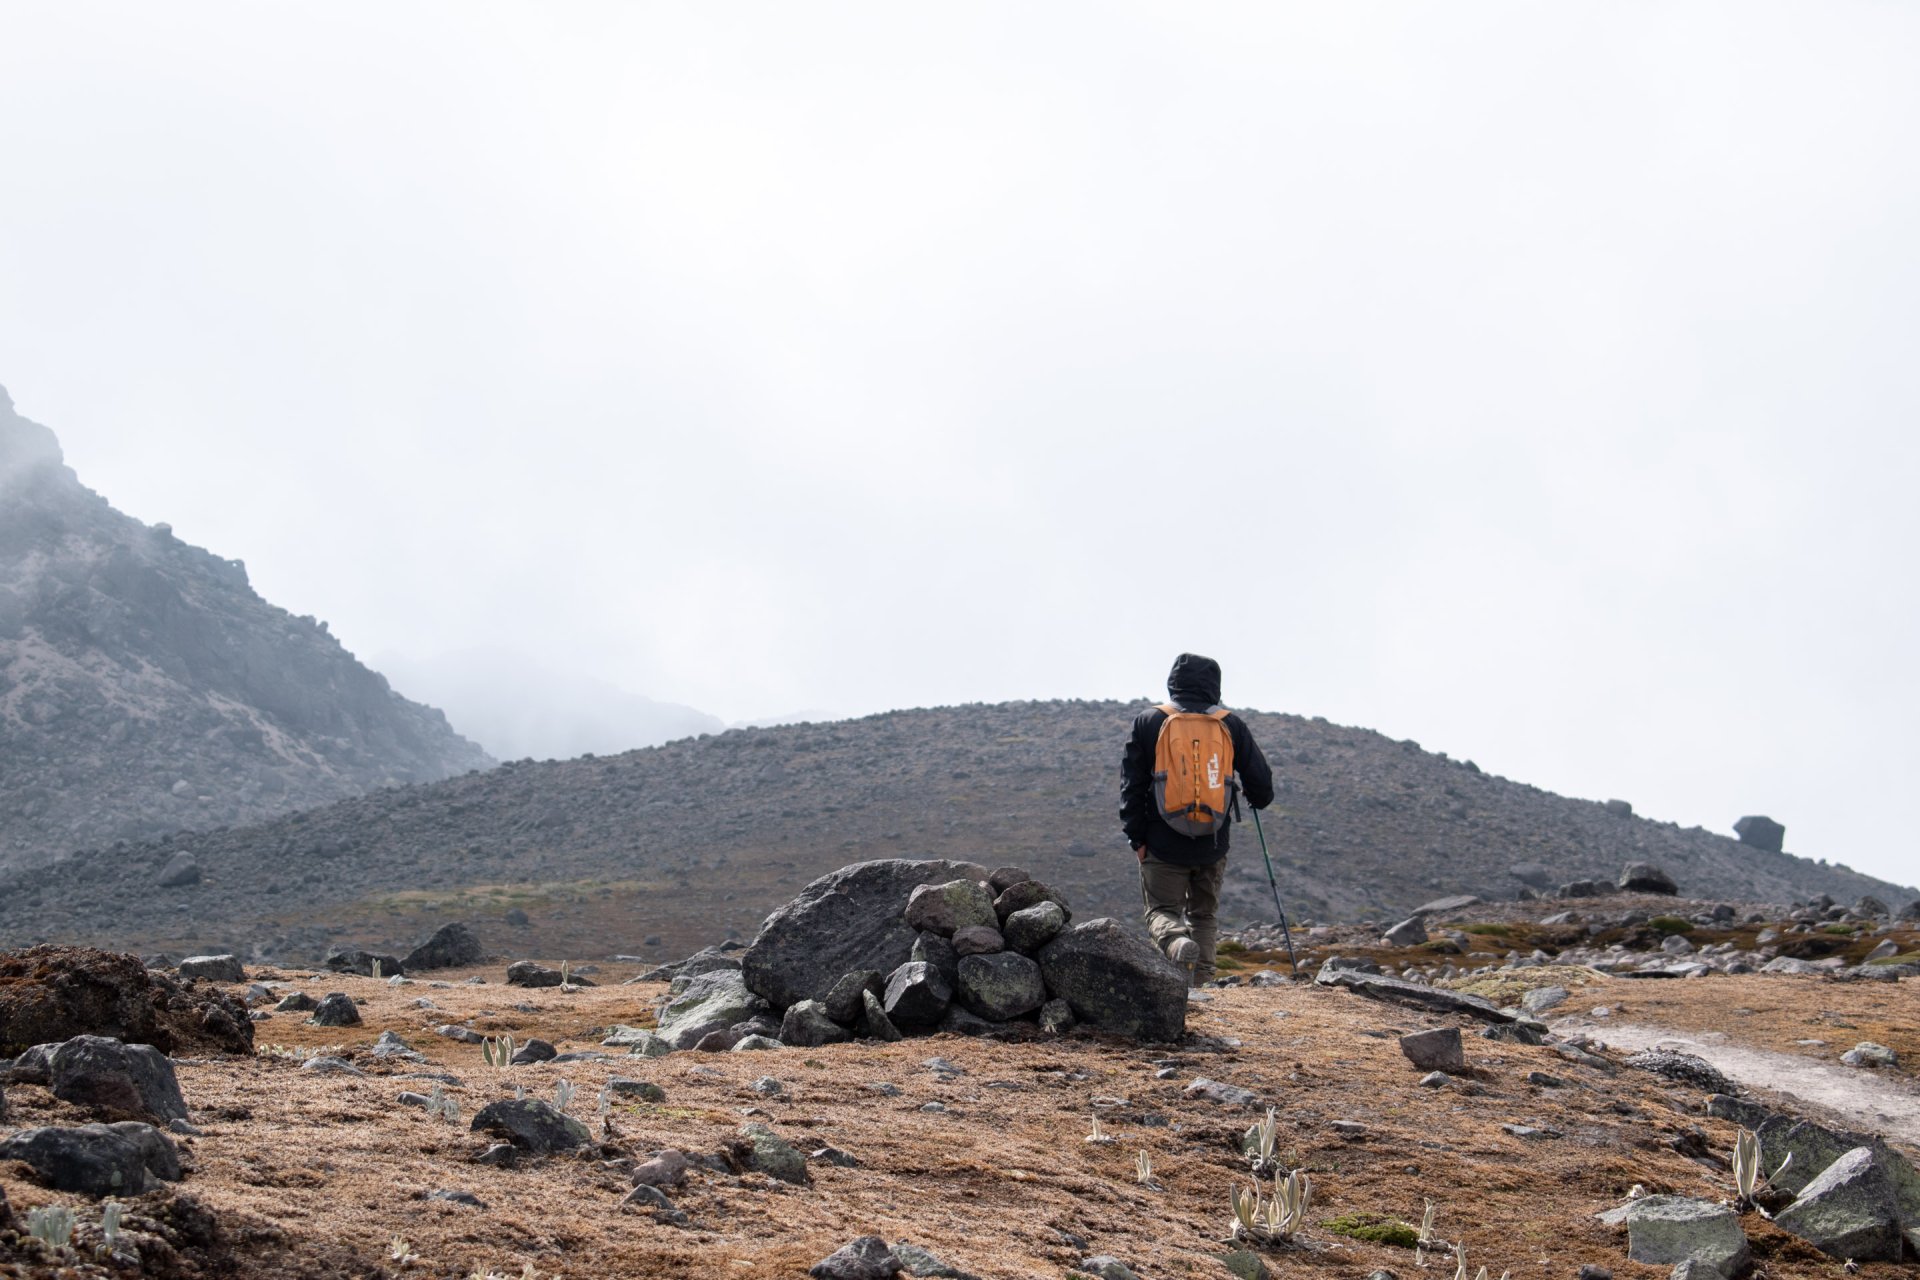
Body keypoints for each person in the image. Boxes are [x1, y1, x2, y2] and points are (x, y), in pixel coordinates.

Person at [1119, 653, 1274, 985]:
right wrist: (1253, 795)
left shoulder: (1149, 721)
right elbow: (1263, 787)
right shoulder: (1231, 724)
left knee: (1160, 913)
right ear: (1214, 686)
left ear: (1173, 682)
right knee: (1204, 916)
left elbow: (1132, 787)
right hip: (1213, 843)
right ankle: (1204, 987)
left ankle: (1175, 943)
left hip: (1162, 842)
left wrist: (1137, 838)